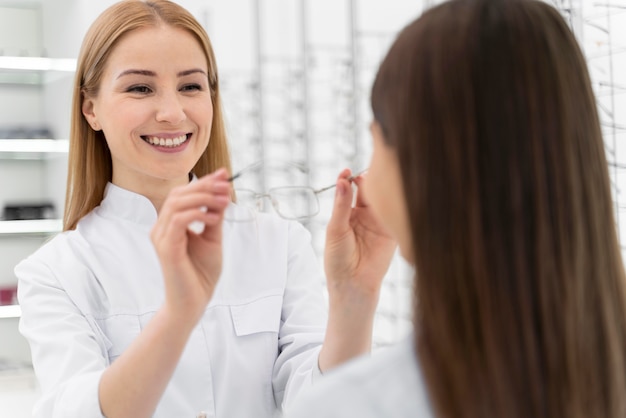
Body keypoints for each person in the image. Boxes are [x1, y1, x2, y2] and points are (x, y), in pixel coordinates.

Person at [15, 1, 396, 417]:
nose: (172, 113)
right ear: (91, 108)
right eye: (140, 88)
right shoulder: (55, 274)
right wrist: (179, 315)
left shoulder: (278, 243)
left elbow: (325, 408)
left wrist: (355, 297)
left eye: (191, 86)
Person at [286, 0, 626, 417]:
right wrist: (353, 296)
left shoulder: (356, 405)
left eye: (377, 142)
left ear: (430, 171)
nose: (367, 181)